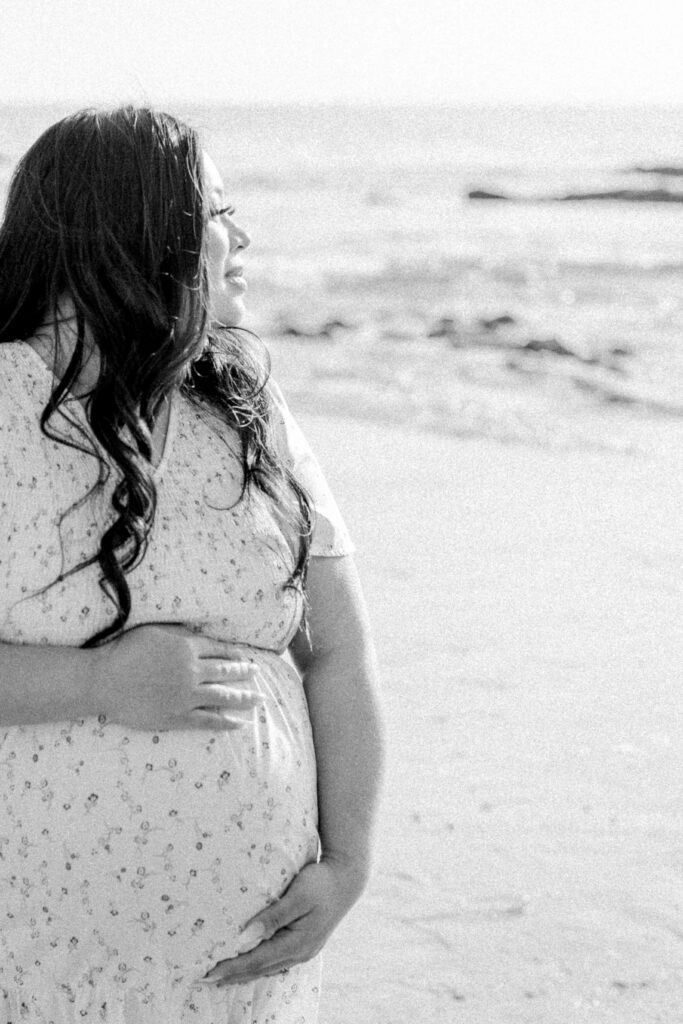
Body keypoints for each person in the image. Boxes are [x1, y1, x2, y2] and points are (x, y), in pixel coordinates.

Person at [0, 106, 384, 1024]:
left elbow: (338, 652)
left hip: (247, 964)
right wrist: (95, 682)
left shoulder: (247, 406)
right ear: (138, 230)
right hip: (42, 953)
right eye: (218, 211)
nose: (241, 237)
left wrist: (347, 866)